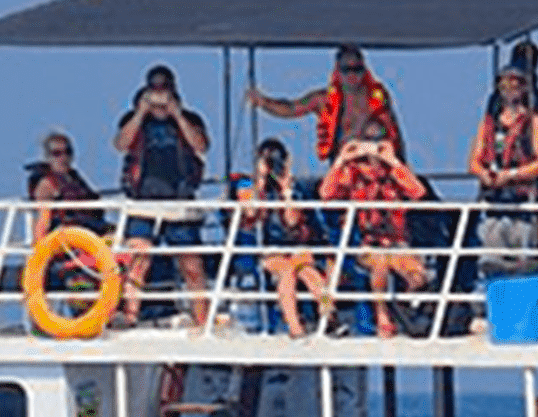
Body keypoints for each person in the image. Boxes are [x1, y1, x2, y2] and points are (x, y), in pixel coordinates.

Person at [113, 64, 211, 327]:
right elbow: (121, 144)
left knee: (191, 264)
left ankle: (202, 319)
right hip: (142, 201)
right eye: (154, 91)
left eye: (164, 91)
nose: (159, 97)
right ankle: (130, 315)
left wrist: (177, 115)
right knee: (138, 259)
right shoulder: (133, 119)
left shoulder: (189, 119)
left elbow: (201, 146)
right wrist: (141, 112)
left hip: (179, 200)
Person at [318, 118, 428, 339]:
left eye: (377, 142)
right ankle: (382, 316)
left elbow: (418, 192)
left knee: (417, 274)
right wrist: (342, 159)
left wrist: (393, 161)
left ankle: (407, 313)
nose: (372, 149)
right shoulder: (353, 172)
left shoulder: (394, 171)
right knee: (379, 263)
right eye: (367, 141)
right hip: (366, 243)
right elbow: (325, 194)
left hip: (395, 242)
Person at [248, 44, 405, 164]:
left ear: (364, 70)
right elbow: (292, 108)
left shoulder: (376, 98)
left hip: (376, 169)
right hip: (342, 172)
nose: (352, 75)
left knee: (375, 130)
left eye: (356, 69)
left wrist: (402, 165)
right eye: (346, 69)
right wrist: (263, 102)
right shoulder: (324, 100)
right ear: (337, 71)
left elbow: (394, 133)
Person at [235, 138, 330, 337]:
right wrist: (260, 183)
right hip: (268, 249)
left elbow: (292, 222)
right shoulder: (247, 185)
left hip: (295, 247)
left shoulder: (295, 188)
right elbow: (251, 213)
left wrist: (286, 192)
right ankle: (295, 327)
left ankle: (330, 318)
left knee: (311, 275)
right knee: (286, 273)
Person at [467, 65, 538, 277]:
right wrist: (486, 175)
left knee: (524, 263)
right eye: (505, 84)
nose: (510, 89)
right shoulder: (488, 125)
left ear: (524, 89)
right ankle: (496, 294)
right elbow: (474, 162)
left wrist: (512, 175)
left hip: (524, 206)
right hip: (494, 205)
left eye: (516, 84)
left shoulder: (534, 122)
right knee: (492, 262)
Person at [27, 130, 106, 242]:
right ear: (48, 157)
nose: (63, 158)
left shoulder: (73, 177)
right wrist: (40, 247)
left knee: (125, 235)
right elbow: (42, 220)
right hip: (69, 235)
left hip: (91, 227)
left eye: (67, 152)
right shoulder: (47, 184)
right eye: (57, 153)